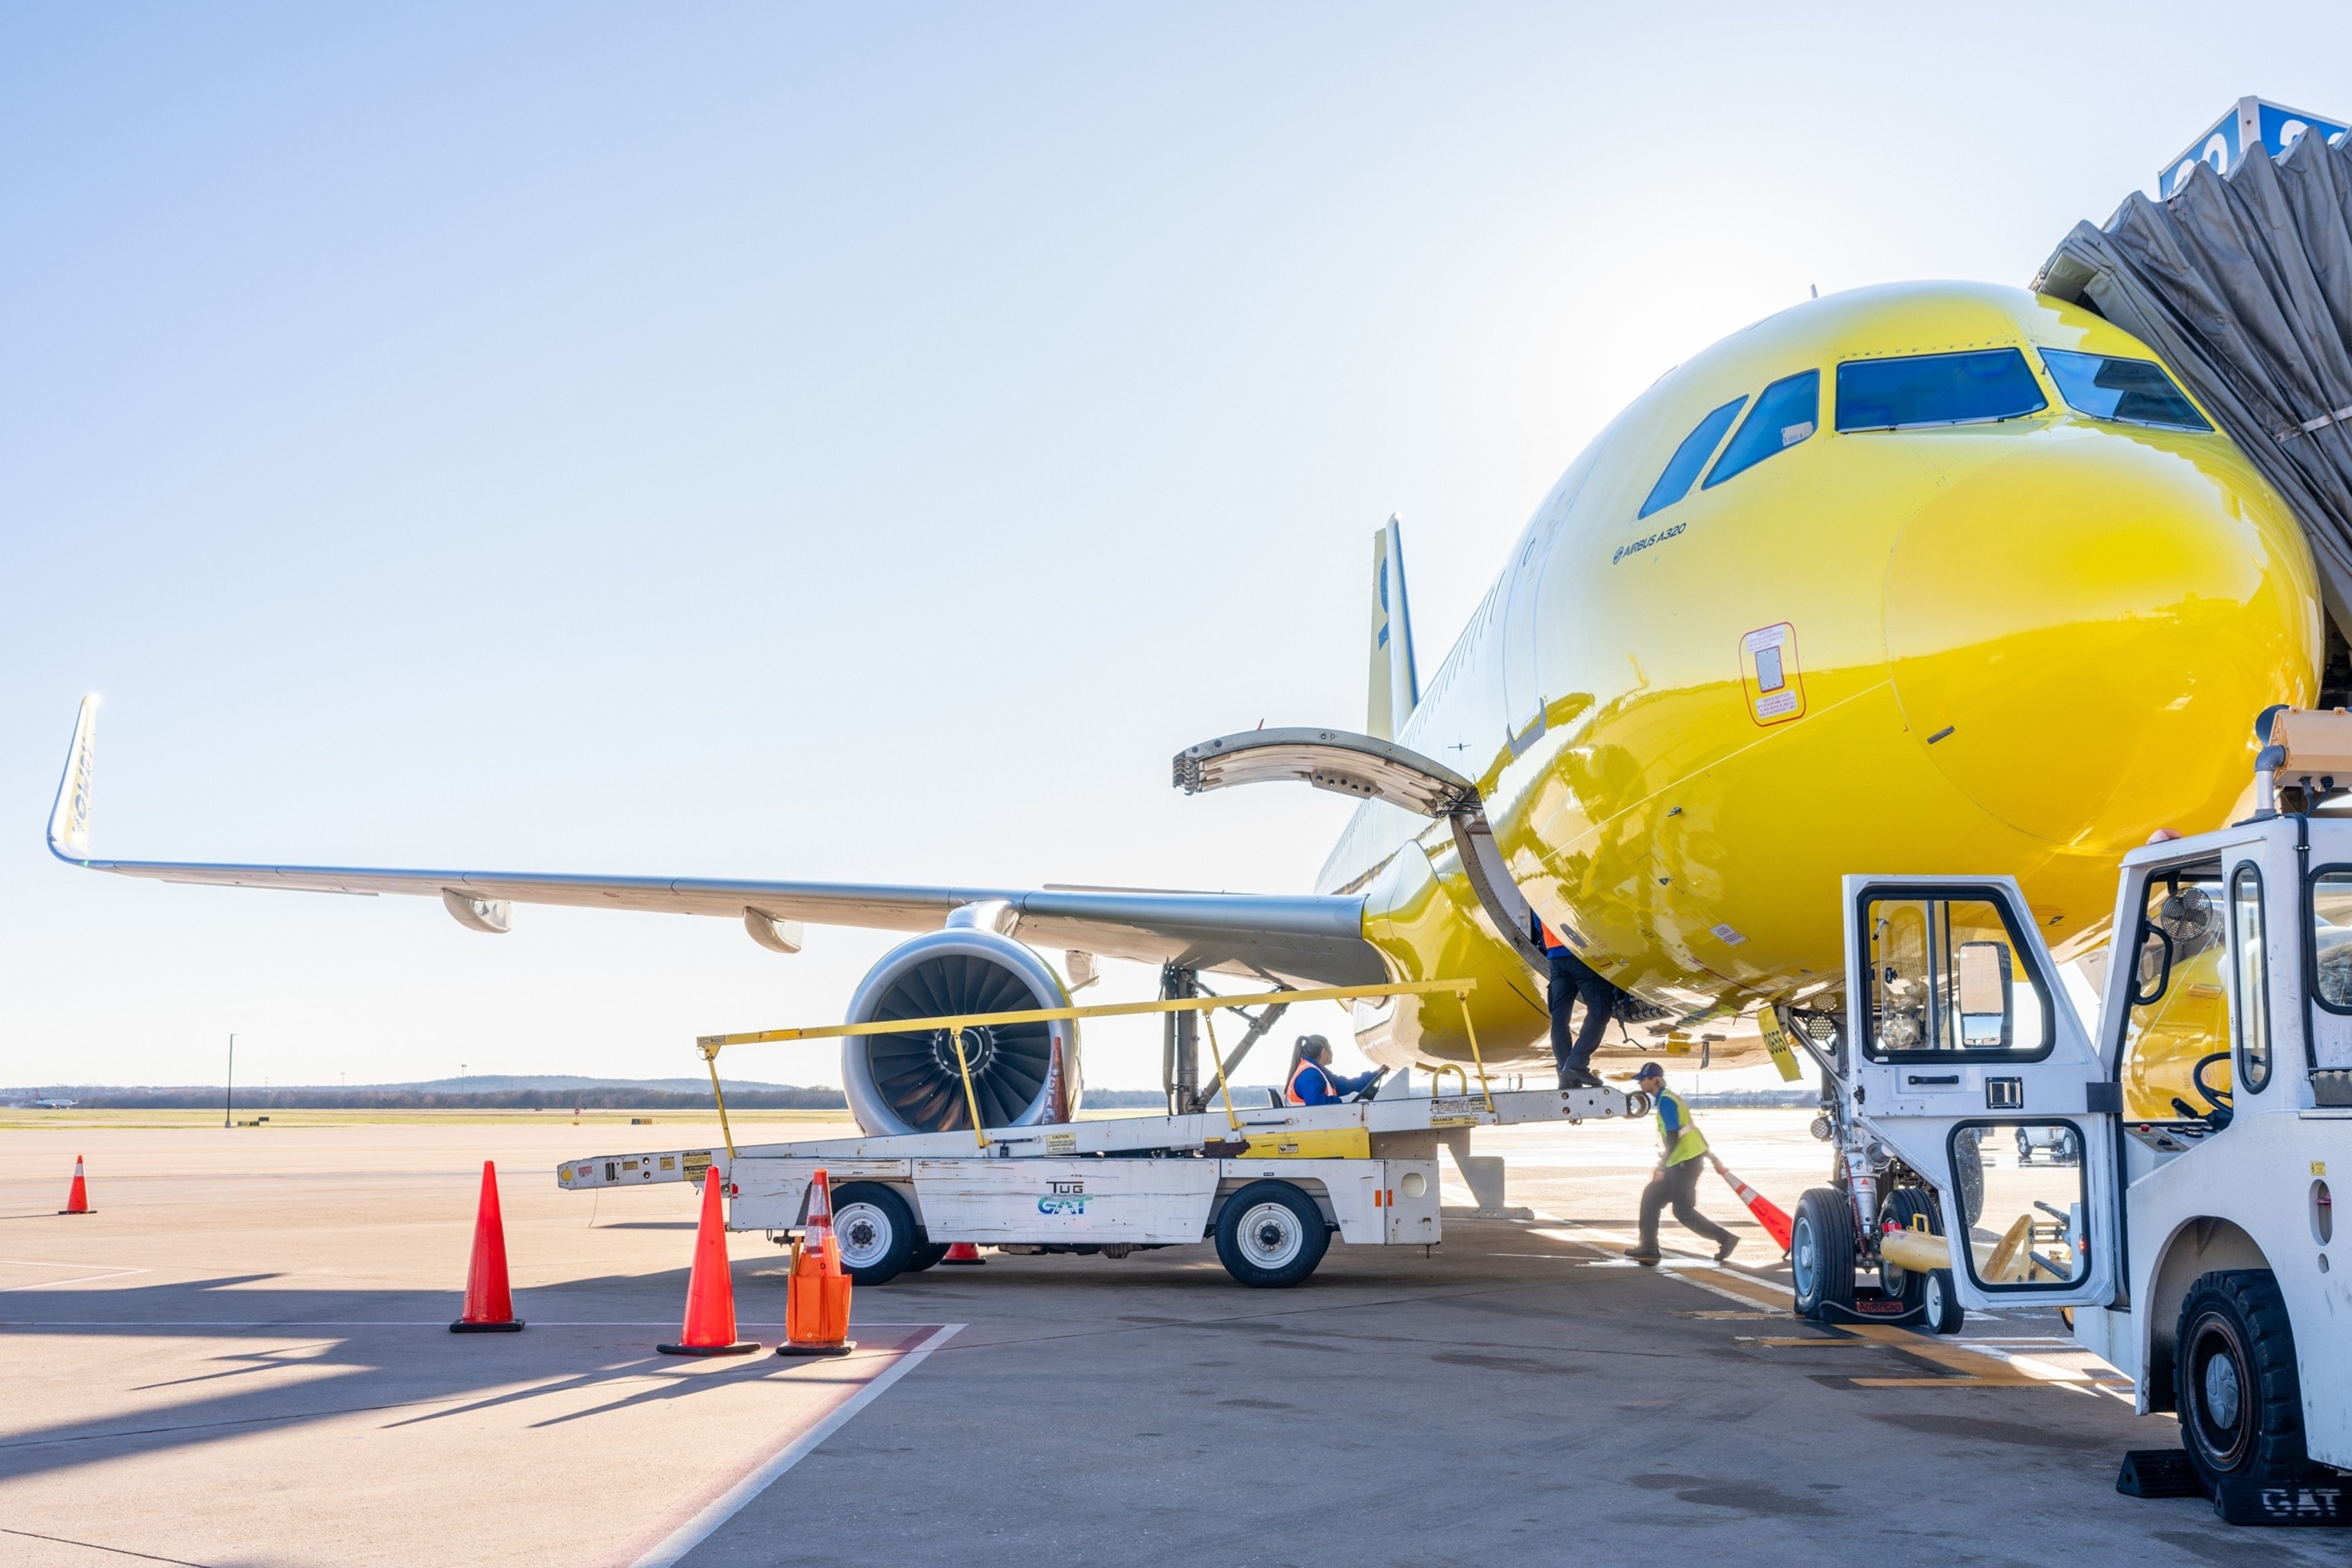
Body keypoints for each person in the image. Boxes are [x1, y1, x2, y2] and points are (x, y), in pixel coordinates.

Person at [1625, 1061, 1738, 1263]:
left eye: (1643, 1079)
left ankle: (1725, 1238)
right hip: (1683, 1162)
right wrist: (1714, 1159)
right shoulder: (1670, 1098)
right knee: (1651, 1197)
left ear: (1654, 1080)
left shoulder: (1667, 1101)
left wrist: (1661, 1167)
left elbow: (1673, 1136)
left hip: (1685, 1163)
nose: (1641, 1083)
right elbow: (1693, 1131)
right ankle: (1648, 1247)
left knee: (1682, 1210)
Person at [1533, 911, 1619, 1090]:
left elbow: (1537, 924)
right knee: (1600, 1011)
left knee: (1559, 1020)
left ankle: (1566, 1074)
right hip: (1579, 952)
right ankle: (1576, 1065)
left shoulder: (1537, 888)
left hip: (1556, 958)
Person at [1284, 1035, 1386, 1106]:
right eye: (1330, 1049)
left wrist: (1375, 1074)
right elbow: (1317, 1104)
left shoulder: (1319, 1071)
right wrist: (1340, 1103)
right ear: (1324, 1052)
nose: (1332, 1052)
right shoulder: (1309, 1074)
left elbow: (1349, 1084)